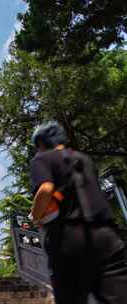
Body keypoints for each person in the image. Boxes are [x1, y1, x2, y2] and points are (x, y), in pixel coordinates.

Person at [29, 121, 127, 304]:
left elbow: (45, 189)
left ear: (41, 143)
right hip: (107, 238)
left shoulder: (42, 159)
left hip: (69, 239)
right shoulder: (85, 159)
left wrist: (35, 216)